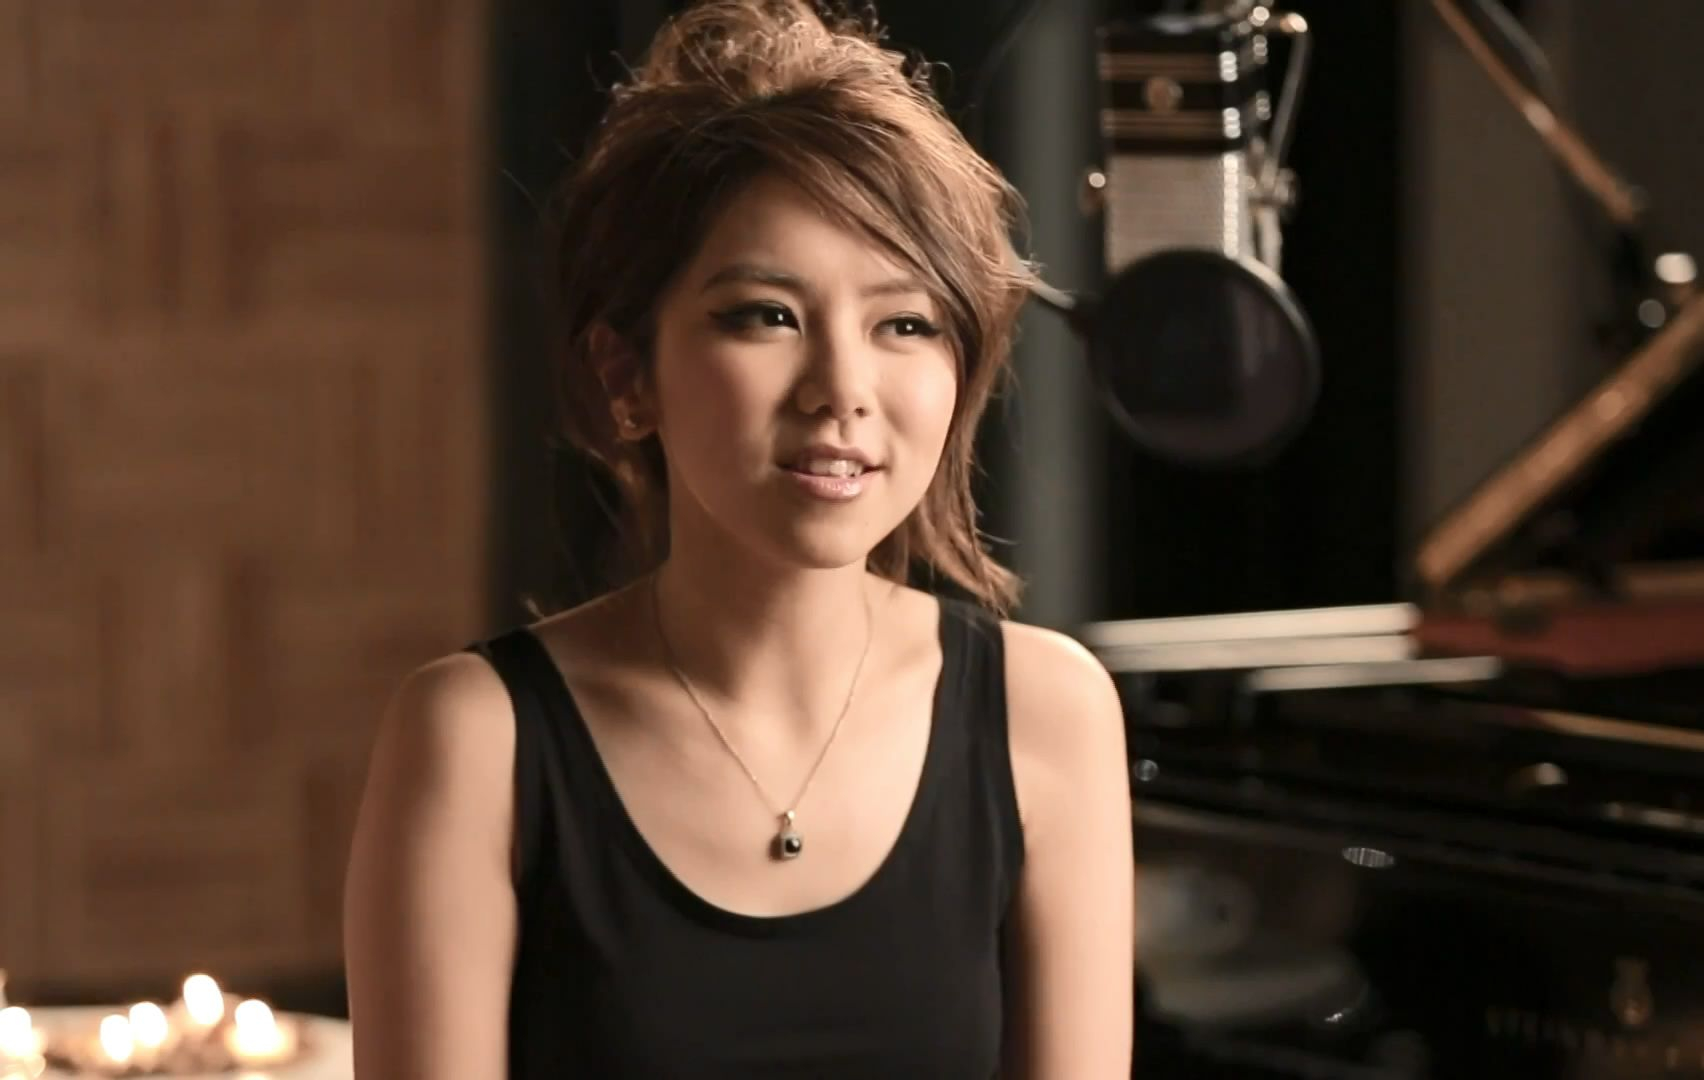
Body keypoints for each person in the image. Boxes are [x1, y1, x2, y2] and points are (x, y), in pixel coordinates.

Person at [340, 1, 1135, 1076]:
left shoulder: (1047, 713)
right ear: (626, 375)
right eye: (767, 314)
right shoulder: (478, 740)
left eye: (904, 324)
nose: (842, 389)